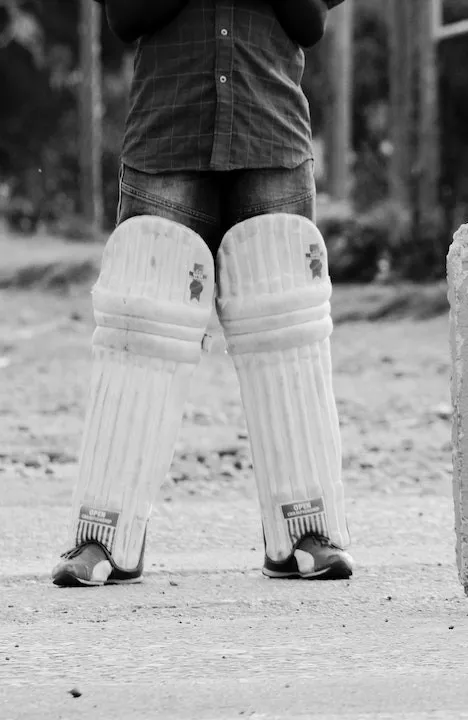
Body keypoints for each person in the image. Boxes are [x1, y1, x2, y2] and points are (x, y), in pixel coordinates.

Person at [52, 0, 354, 586]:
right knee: (138, 327)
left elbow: (310, 20)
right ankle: (104, 535)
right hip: (168, 135)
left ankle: (304, 530)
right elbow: (124, 15)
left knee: (286, 330)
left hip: (269, 132)